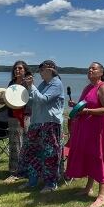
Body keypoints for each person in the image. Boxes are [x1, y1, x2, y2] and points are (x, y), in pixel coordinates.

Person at [66, 62, 104, 207]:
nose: (90, 70)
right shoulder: (88, 87)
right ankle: (88, 188)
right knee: (90, 156)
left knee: (100, 157)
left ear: (101, 72)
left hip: (98, 129)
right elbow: (84, 105)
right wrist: (76, 105)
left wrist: (86, 111)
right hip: (87, 128)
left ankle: (101, 196)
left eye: (94, 68)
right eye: (89, 68)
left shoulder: (103, 87)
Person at [20, 60, 65, 193]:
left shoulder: (57, 83)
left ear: (51, 70)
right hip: (37, 122)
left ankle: (51, 183)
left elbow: (43, 99)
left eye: (42, 70)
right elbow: (33, 101)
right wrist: (27, 90)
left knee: (49, 153)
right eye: (39, 70)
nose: (39, 72)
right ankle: (32, 181)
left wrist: (32, 87)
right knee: (32, 151)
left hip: (50, 123)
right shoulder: (42, 84)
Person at [3, 61, 33, 183]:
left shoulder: (28, 83)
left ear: (25, 70)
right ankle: (14, 171)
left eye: (20, 68)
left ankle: (26, 170)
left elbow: (31, 98)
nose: (17, 70)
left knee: (26, 143)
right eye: (15, 68)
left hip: (25, 116)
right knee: (15, 144)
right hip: (13, 116)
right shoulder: (11, 83)